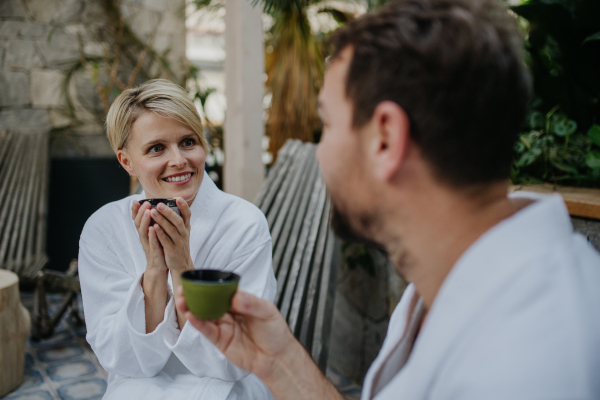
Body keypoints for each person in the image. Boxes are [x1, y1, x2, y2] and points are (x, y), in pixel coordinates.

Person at [176, 0, 600, 399]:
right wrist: (280, 363)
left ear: (385, 138)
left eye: (326, 124)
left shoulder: (527, 362)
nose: (319, 151)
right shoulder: (452, 276)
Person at [78, 79, 276, 400]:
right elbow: (118, 357)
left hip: (229, 388)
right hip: (136, 388)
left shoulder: (244, 224)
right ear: (126, 161)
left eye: (188, 142)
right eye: (157, 148)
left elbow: (238, 356)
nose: (179, 160)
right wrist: (155, 270)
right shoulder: (103, 229)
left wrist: (182, 265)